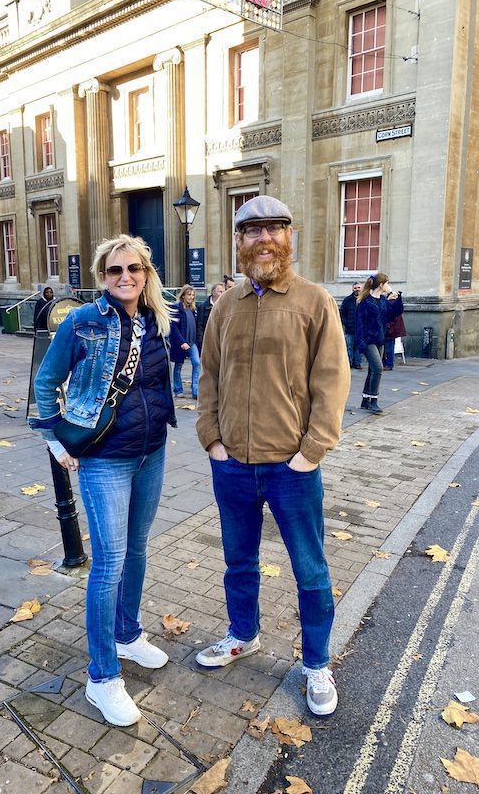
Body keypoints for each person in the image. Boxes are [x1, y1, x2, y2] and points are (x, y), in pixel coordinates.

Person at [195, 195, 350, 717]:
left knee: (310, 570)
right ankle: (243, 635)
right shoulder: (225, 305)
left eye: (275, 229)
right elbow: (209, 375)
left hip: (292, 469)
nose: (264, 239)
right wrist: (211, 439)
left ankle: (317, 664)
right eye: (252, 230)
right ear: (238, 243)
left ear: (290, 238)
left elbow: (331, 381)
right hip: (232, 466)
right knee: (239, 562)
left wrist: (311, 452)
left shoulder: (314, 302)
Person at [30, 234, 175, 727]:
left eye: (133, 269)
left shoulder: (159, 317)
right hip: (104, 458)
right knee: (108, 563)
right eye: (115, 271)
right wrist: (54, 440)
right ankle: (101, 677)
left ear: (146, 273)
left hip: (150, 452)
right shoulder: (82, 321)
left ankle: (127, 635)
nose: (125, 277)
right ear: (102, 276)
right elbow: (45, 380)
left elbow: (158, 382)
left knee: (137, 550)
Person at [355, 274, 404, 414]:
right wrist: (361, 343)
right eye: (387, 283)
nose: (389, 285)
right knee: (378, 368)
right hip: (367, 341)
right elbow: (359, 324)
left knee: (372, 370)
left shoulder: (382, 300)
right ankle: (373, 401)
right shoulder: (365, 302)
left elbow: (394, 313)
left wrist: (397, 297)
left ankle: (365, 400)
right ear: (381, 284)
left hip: (379, 340)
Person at [170, 284, 200, 399]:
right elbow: (173, 327)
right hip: (180, 343)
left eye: (193, 295)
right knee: (178, 366)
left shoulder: (192, 309)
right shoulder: (176, 307)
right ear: (183, 295)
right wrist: (182, 342)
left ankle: (195, 390)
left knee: (197, 363)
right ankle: (178, 389)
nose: (191, 297)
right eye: (189, 294)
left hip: (192, 342)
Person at [339, 281, 362, 369]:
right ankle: (349, 363)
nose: (357, 290)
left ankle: (357, 363)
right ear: (353, 289)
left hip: (360, 328)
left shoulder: (364, 299)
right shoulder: (347, 300)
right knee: (349, 347)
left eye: (358, 288)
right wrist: (346, 323)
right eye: (355, 288)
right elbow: (342, 313)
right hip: (350, 328)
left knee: (358, 347)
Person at [196, 282, 224, 352]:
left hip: (221, 341)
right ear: (213, 293)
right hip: (207, 341)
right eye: (220, 292)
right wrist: (201, 342)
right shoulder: (202, 307)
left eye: (224, 292)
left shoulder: (226, 307)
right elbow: (199, 326)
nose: (223, 294)